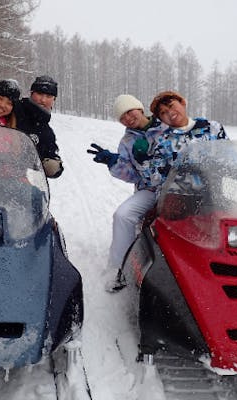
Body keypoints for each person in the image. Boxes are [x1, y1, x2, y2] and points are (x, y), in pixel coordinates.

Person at [87, 94, 163, 292]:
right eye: (122, 117)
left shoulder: (166, 126)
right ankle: (118, 268)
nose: (128, 118)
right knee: (123, 215)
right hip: (151, 190)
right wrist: (113, 161)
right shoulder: (127, 141)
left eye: (130, 111)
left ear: (140, 108)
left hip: (180, 187)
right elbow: (133, 175)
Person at [142, 90, 228, 189]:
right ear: (161, 119)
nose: (169, 112)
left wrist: (212, 165)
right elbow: (155, 179)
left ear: (182, 103)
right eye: (163, 112)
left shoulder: (212, 128)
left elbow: (229, 158)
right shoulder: (163, 141)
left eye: (171, 106)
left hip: (212, 194)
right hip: (177, 196)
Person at [13, 75, 64, 179]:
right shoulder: (15, 108)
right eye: (40, 94)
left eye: (49, 96)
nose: (43, 100)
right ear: (32, 93)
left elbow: (51, 154)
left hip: (23, 182)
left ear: (54, 100)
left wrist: (54, 166)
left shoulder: (47, 132)